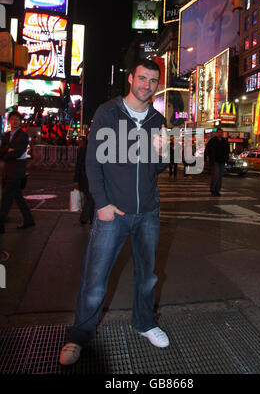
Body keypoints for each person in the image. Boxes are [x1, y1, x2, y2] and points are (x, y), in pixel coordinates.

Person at [59, 59, 170, 366]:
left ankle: (145, 323)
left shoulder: (158, 120)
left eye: (152, 80)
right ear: (131, 79)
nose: (147, 85)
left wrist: (163, 151)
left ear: (157, 85)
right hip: (113, 212)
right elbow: (93, 163)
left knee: (147, 277)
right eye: (142, 78)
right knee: (95, 279)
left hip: (148, 212)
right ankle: (79, 336)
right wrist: (103, 203)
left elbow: (157, 167)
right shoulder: (108, 112)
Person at [0, 111, 35, 233]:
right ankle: (29, 219)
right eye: (12, 119)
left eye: (17, 119)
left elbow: (17, 152)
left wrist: (7, 152)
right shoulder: (6, 135)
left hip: (17, 170)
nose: (15, 121)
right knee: (17, 196)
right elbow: (3, 151)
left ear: (21, 121)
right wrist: (8, 151)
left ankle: (1, 223)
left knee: (7, 197)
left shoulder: (23, 136)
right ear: (9, 121)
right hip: (8, 170)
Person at [73, 135, 94, 224]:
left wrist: (76, 180)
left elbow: (78, 166)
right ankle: (84, 218)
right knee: (90, 198)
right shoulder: (87, 149)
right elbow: (78, 166)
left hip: (85, 178)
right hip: (87, 178)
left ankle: (91, 218)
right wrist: (76, 180)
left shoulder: (83, 149)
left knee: (91, 198)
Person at [204, 127, 229, 196]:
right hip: (214, 160)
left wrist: (226, 159)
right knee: (216, 175)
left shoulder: (224, 141)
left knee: (220, 176)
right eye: (218, 132)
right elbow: (207, 149)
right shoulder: (213, 140)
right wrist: (205, 157)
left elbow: (227, 151)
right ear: (216, 133)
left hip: (222, 161)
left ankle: (217, 190)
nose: (220, 134)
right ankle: (213, 189)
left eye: (221, 132)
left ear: (222, 133)